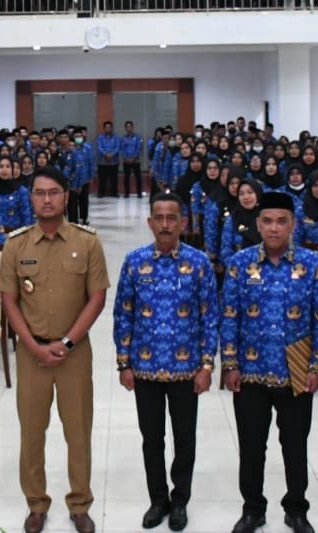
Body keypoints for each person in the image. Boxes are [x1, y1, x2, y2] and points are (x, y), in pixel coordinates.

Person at [0, 166, 109, 533]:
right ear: (30, 198)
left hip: (73, 353)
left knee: (78, 432)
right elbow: (9, 301)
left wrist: (67, 342)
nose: (46, 200)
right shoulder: (16, 245)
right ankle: (36, 504)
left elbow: (97, 298)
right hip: (32, 354)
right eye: (39, 193)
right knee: (32, 433)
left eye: (53, 193)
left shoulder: (87, 242)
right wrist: (32, 345)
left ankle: (80, 504)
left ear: (66, 196)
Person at [219, 192, 318, 533]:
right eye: (267, 221)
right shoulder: (240, 264)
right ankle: (253, 509)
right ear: (258, 224)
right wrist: (230, 363)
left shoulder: (311, 265)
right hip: (250, 373)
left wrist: (317, 366)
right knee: (252, 447)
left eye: (282, 221)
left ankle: (296, 509)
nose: (274, 228)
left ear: (293, 224)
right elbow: (229, 316)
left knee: (295, 447)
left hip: (296, 372)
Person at [115, 193, 217, 531]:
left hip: (186, 370)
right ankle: (158, 500)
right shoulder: (134, 262)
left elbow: (209, 317)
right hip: (144, 368)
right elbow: (123, 314)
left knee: (185, 438)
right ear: (149, 222)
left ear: (182, 222)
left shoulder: (199, 263)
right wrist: (124, 363)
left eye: (171, 217)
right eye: (158, 217)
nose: (165, 224)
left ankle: (180, 500)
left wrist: (206, 366)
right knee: (152, 438)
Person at [122, 120, 145, 197]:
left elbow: (139, 148)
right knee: (126, 178)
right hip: (126, 161)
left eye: (130, 127)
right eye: (127, 127)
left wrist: (133, 158)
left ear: (132, 127)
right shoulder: (123, 138)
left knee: (138, 178)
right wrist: (126, 158)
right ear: (125, 128)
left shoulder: (137, 137)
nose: (129, 128)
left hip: (136, 160)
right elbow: (122, 149)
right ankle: (126, 193)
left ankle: (139, 193)